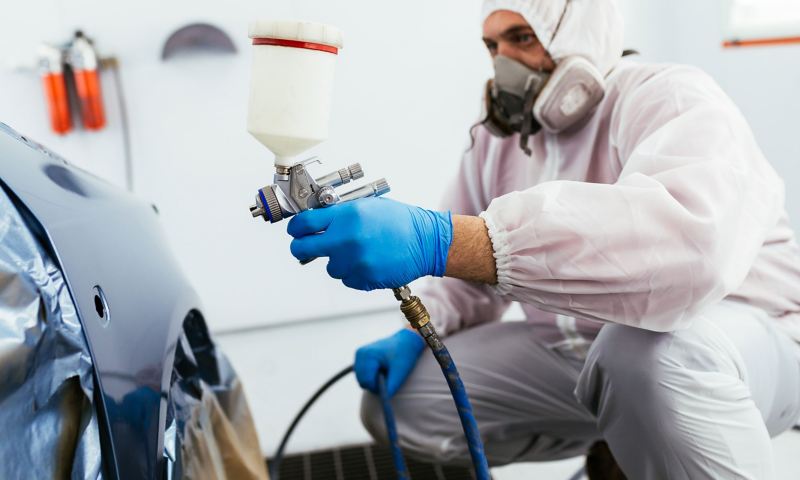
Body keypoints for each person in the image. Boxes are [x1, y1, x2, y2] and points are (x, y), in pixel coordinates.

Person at [286, 0, 800, 478]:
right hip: (579, 352)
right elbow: (468, 277)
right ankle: (628, 433)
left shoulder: (670, 96)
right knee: (400, 401)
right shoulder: (497, 139)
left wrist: (445, 241)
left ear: (582, 36)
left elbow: (689, 250)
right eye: (493, 47)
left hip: (739, 342)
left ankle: (648, 424)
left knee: (642, 358)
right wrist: (419, 329)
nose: (503, 61)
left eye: (521, 37)